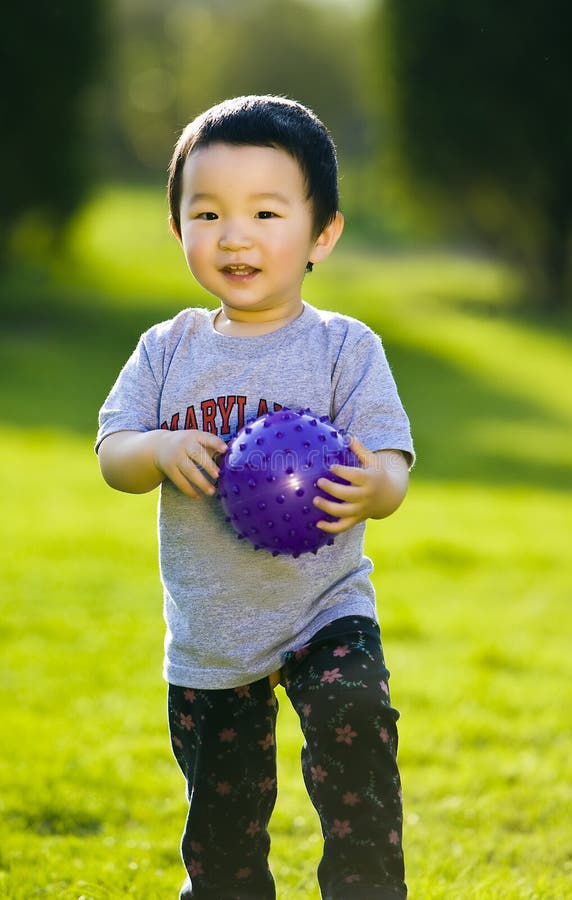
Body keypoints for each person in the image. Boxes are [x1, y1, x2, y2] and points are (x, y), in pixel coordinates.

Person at [96, 95, 414, 900]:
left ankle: (367, 885)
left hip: (325, 607)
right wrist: (160, 449)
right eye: (207, 213)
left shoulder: (346, 347)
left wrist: (374, 487)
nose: (234, 235)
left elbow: (393, 466)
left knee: (356, 722)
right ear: (177, 229)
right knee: (224, 828)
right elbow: (113, 454)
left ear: (323, 233)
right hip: (214, 631)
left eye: (266, 212)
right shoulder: (167, 351)